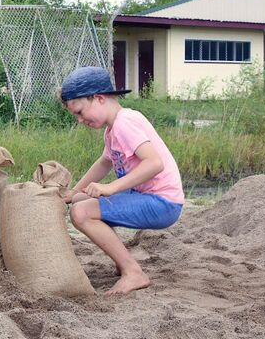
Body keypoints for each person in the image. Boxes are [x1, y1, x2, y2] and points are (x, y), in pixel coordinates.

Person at [60, 67, 184, 295]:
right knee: (80, 200)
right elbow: (104, 163)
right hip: (146, 197)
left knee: (81, 213)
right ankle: (122, 263)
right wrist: (74, 191)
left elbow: (154, 163)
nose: (79, 120)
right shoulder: (112, 130)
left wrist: (110, 187)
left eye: (80, 112)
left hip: (162, 202)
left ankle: (133, 272)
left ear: (98, 98)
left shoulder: (125, 122)